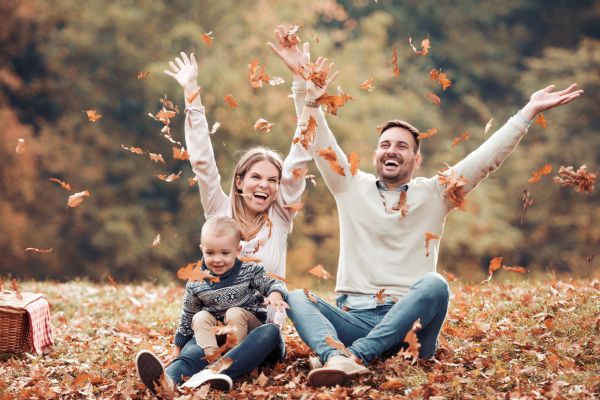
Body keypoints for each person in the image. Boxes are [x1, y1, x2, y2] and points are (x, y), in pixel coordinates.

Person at [269, 28, 583, 387]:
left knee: (435, 284)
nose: (392, 150)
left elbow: (485, 159)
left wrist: (526, 113)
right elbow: (317, 138)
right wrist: (301, 88)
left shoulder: (436, 193)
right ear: (375, 155)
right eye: (385, 144)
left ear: (416, 160)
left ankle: (353, 357)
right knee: (295, 296)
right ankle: (337, 357)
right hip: (353, 318)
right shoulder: (348, 185)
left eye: (402, 146)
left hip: (411, 329)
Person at [136, 216, 289, 395]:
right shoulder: (196, 281)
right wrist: (178, 349)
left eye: (225, 253)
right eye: (210, 253)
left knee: (243, 317)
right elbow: (187, 316)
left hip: (249, 335)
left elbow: (272, 283)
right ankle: (166, 382)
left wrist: (275, 294)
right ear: (202, 249)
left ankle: (226, 364)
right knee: (199, 321)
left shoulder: (251, 270)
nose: (217, 259)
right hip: (214, 339)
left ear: (238, 249)